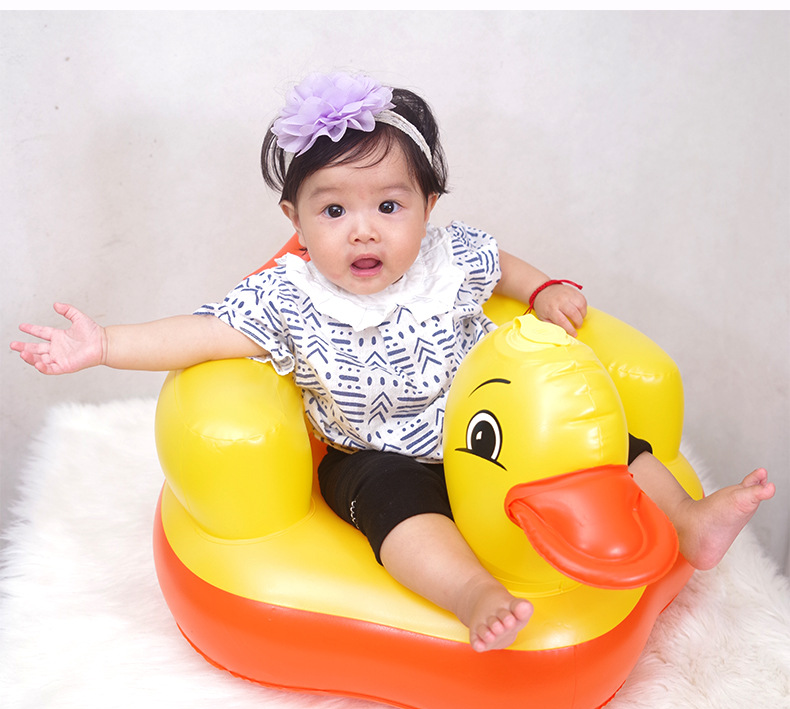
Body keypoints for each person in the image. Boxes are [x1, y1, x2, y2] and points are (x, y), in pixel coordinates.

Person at [11, 71, 774, 653]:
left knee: (611, 445)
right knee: (400, 516)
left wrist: (544, 288)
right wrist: (105, 344)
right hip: (374, 455)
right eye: (333, 209)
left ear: (427, 207)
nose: (364, 230)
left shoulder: (447, 259)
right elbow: (201, 334)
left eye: (389, 205)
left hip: (487, 431)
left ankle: (687, 518)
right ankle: (472, 594)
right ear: (296, 220)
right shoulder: (292, 296)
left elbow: (501, 265)